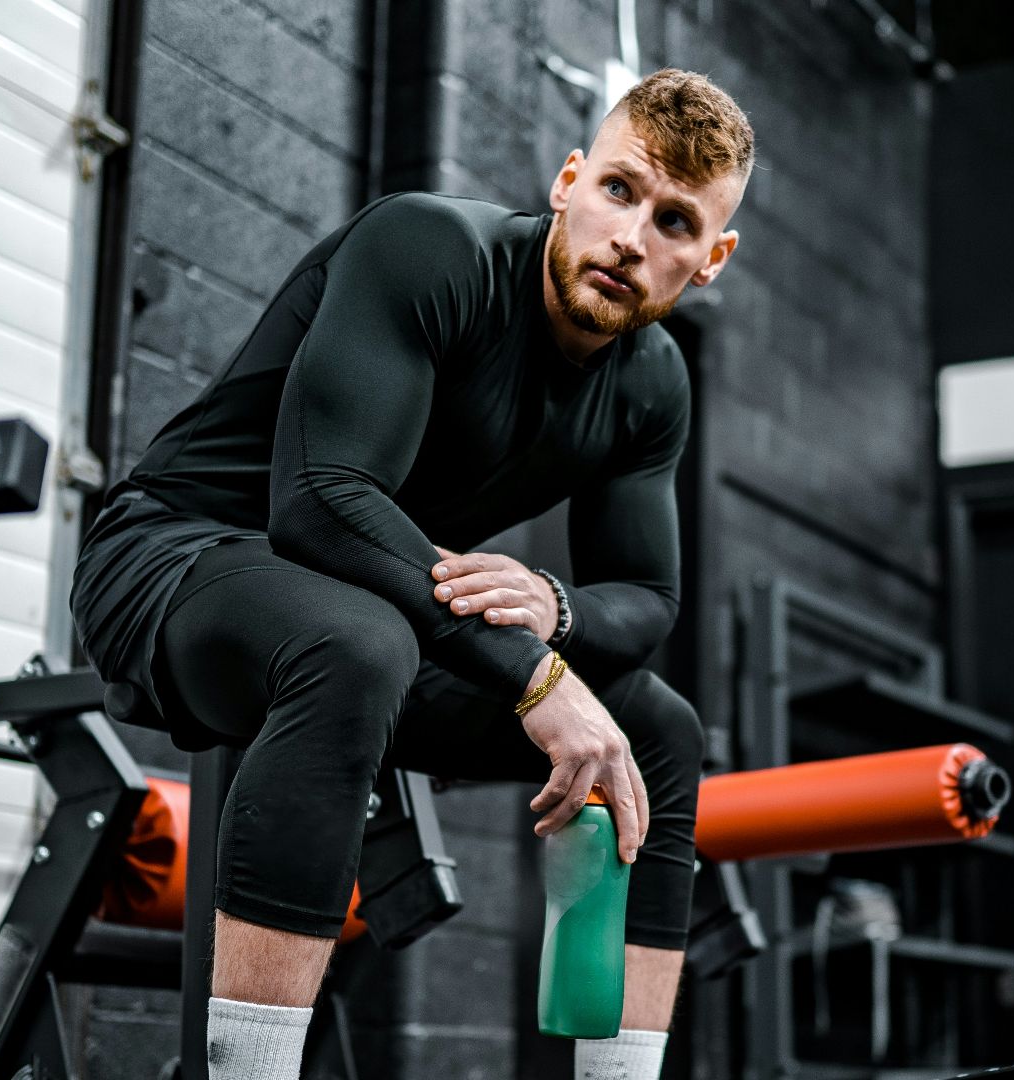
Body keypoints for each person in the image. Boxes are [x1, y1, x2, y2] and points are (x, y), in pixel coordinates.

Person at [71, 67, 752, 1080]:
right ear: (568, 180)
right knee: (358, 641)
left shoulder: (651, 384)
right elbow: (322, 502)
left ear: (709, 260)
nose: (633, 238)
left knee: (657, 727)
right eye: (619, 189)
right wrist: (535, 674)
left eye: (675, 222)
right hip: (175, 558)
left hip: (374, 606)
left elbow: (648, 599)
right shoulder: (435, 249)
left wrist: (554, 608)